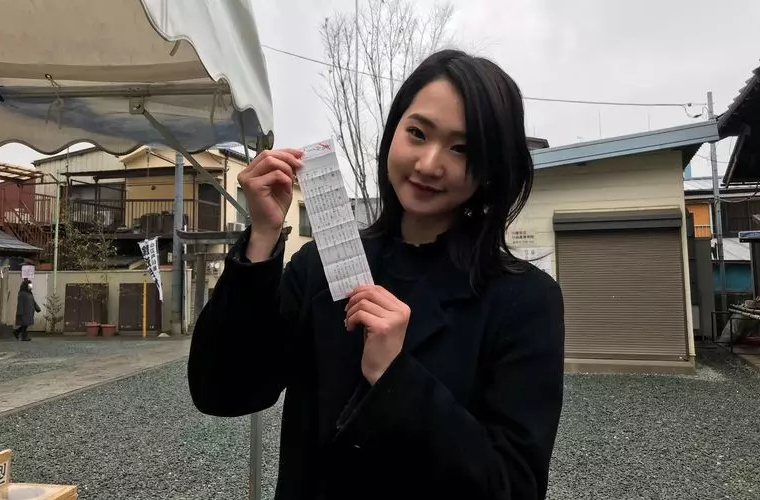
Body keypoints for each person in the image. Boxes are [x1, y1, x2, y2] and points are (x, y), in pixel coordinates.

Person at [189, 49, 565, 500]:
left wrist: (396, 377)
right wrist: (261, 238)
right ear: (392, 133)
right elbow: (223, 392)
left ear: (491, 168)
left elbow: (515, 487)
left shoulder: (523, 300)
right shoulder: (321, 266)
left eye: (462, 148)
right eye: (417, 133)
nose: (428, 164)